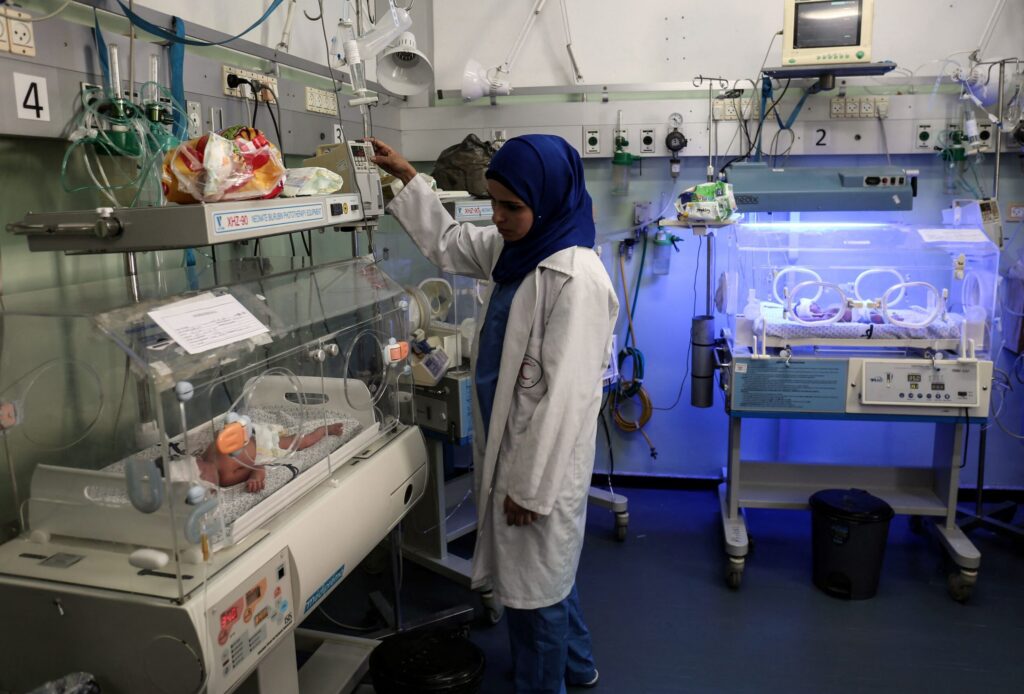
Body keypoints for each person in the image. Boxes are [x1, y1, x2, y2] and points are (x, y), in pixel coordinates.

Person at [371, 134, 618, 694]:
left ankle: (543, 683)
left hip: (540, 462)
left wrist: (531, 490)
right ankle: (579, 665)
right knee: (547, 574)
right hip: (508, 442)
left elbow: (565, 402)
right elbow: (451, 243)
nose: (498, 218)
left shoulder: (576, 279)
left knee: (536, 592)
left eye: (512, 206)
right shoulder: (519, 248)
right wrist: (409, 178)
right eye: (493, 203)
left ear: (548, 202)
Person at [196, 421, 346, 493]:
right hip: (265, 447)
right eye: (202, 478)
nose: (201, 471)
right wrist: (255, 478)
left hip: (251, 431)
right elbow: (257, 467)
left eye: (198, 468)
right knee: (301, 442)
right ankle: (324, 430)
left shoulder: (205, 455)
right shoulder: (226, 477)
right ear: (212, 488)